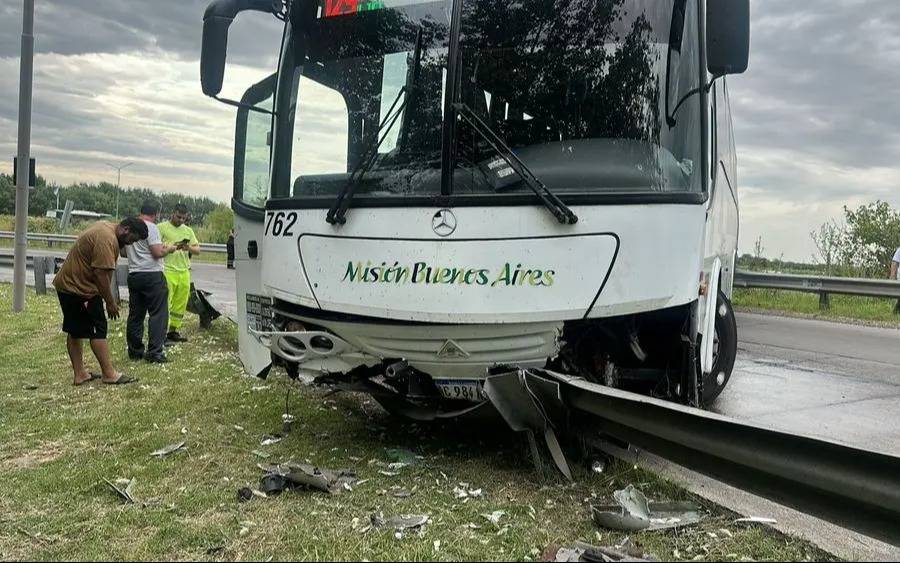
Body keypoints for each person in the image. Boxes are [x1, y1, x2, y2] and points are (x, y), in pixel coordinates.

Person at [54, 217, 147, 385]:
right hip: (81, 290)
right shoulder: (107, 239)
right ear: (126, 230)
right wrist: (110, 302)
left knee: (75, 330)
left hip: (67, 285)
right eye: (132, 239)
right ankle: (109, 374)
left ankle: (80, 374)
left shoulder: (105, 226)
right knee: (98, 329)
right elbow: (100, 274)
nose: (131, 244)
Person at [126, 200, 178, 363]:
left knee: (136, 314)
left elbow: (122, 252)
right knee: (158, 313)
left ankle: (135, 351)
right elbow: (156, 253)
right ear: (155, 214)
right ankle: (155, 351)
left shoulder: (130, 226)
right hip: (152, 275)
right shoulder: (151, 227)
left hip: (134, 273)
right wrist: (168, 249)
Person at [158, 204, 201, 344]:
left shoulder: (188, 230)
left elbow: (198, 250)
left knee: (180, 303)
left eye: (184, 218)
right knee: (166, 302)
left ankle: (173, 331)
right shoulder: (161, 228)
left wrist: (187, 247)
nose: (181, 220)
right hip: (167, 269)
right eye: (178, 217)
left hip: (184, 271)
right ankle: (161, 333)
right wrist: (168, 247)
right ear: (172, 213)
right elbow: (155, 246)